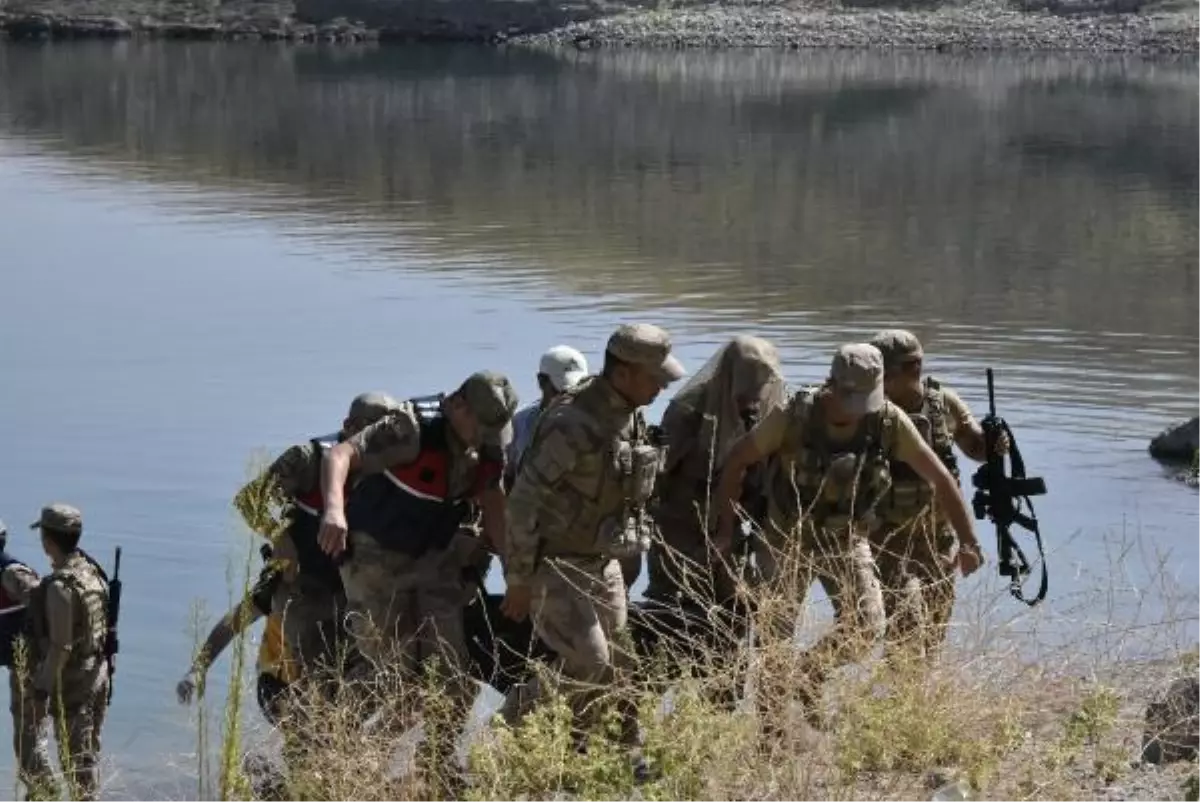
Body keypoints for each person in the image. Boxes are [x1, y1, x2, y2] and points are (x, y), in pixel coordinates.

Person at [713, 344, 984, 736]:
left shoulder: (887, 421)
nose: (859, 408)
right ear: (831, 386)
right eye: (850, 399)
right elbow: (737, 461)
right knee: (775, 639)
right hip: (786, 539)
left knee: (866, 627)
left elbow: (940, 477)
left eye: (866, 399)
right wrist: (725, 527)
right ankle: (770, 735)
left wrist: (969, 541)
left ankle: (808, 676)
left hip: (845, 539)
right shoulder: (794, 416)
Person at [500, 323, 685, 781]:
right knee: (589, 663)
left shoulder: (631, 412)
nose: (661, 386)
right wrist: (518, 580)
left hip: (602, 563)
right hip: (555, 565)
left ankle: (620, 758)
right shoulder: (574, 423)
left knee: (620, 664)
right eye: (653, 377)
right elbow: (522, 503)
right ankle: (504, 731)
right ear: (622, 373)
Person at [316, 371, 517, 789]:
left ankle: (437, 766)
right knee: (394, 675)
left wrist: (515, 572)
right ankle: (335, 751)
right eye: (481, 425)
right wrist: (334, 510)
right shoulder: (409, 427)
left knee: (455, 679)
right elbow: (340, 456)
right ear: (458, 406)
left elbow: (494, 500)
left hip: (433, 560)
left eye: (495, 428)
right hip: (375, 561)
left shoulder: (490, 439)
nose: (488, 436)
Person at [639, 335, 786, 704]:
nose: (752, 396)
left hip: (730, 538)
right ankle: (635, 711)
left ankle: (715, 717)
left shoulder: (770, 411)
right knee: (670, 622)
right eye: (745, 386)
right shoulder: (688, 409)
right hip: (679, 533)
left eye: (760, 385)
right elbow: (659, 475)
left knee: (731, 625)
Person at [233, 391, 401, 675]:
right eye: (370, 430)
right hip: (305, 588)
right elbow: (250, 501)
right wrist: (280, 538)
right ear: (348, 425)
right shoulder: (307, 460)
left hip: (354, 593)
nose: (378, 443)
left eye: (387, 433)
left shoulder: (392, 470)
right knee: (316, 668)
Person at [868, 329, 1007, 664]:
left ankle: (912, 699)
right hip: (886, 539)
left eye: (884, 372)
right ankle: (899, 699)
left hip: (937, 540)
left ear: (913, 368)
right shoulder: (871, 409)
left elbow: (976, 448)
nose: (877, 380)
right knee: (904, 627)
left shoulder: (943, 403)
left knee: (933, 630)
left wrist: (994, 442)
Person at [26, 504, 110, 802]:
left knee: (76, 769)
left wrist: (40, 692)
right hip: (97, 677)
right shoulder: (92, 574)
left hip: (75, 688)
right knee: (87, 761)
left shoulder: (60, 586)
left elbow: (61, 647)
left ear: (48, 542)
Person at [0, 519, 54, 801]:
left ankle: (46, 793)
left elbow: (48, 606)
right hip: (19, 664)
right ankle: (38, 793)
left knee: (29, 738)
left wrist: (44, 658)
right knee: (26, 739)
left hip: (30, 667)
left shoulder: (10, 574)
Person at [505, 345, 590, 484]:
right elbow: (509, 474)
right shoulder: (520, 422)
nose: (570, 399)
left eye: (577, 391)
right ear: (541, 381)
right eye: (562, 392)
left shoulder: (595, 422)